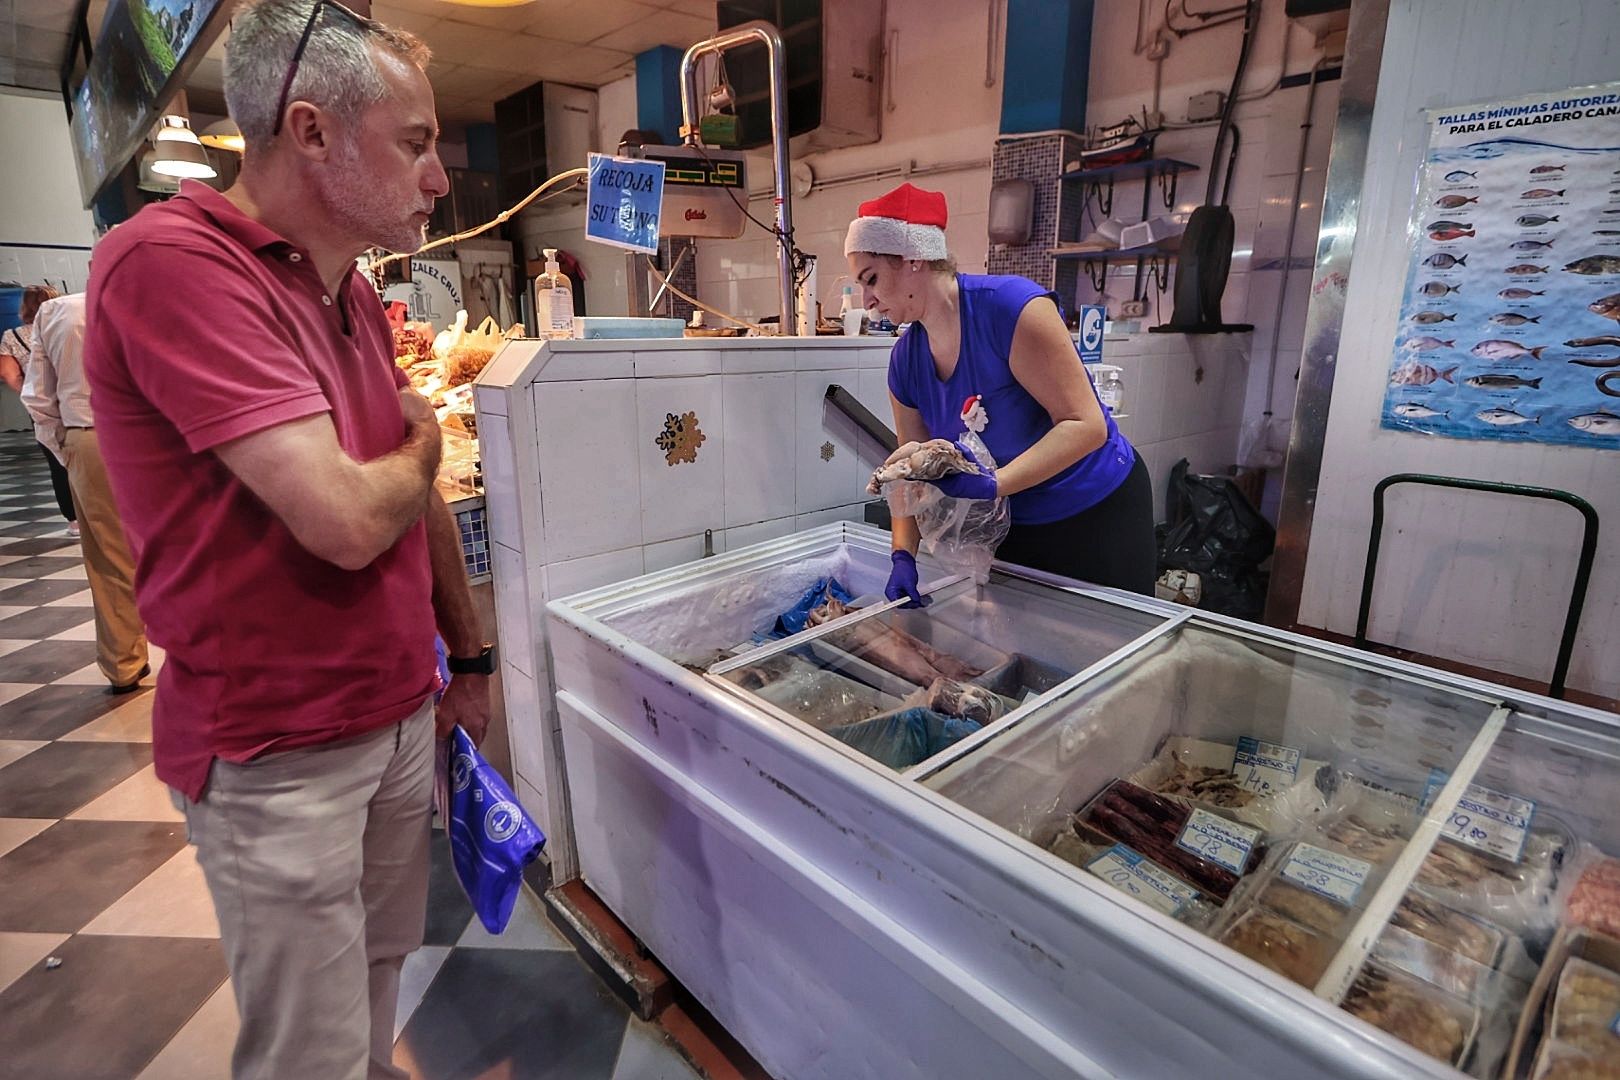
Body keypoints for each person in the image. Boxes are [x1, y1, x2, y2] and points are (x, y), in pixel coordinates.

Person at [83, 2, 489, 1077]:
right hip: (280, 748)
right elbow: (353, 521)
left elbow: (415, 494)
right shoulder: (171, 262)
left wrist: (473, 657)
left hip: (398, 713)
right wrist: (417, 451)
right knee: (305, 1046)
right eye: (413, 144)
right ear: (310, 132)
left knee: (374, 987)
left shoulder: (343, 291)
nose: (437, 176)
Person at [845, 183, 1155, 602]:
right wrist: (903, 556)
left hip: (1095, 509)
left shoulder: (1011, 310)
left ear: (914, 258)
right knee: (1030, 653)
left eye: (872, 279)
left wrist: (995, 484)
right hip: (1016, 522)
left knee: (1112, 651)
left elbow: (1086, 425)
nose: (868, 301)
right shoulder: (906, 361)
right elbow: (910, 473)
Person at [21, 292, 149, 690]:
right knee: (193, 550)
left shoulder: (57, 310)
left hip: (91, 435)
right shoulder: (164, 298)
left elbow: (38, 397)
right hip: (170, 434)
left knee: (111, 555)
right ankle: (210, 663)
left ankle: (124, 662)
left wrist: (68, 446)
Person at [1, 285, 78, 536]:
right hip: (76, 401)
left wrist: (31, 390)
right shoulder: (67, 325)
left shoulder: (13, 336)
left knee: (58, 465)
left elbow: (8, 373)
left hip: (41, 410)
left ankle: (73, 520)